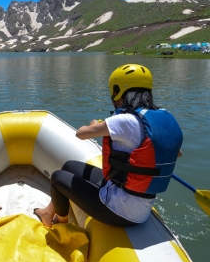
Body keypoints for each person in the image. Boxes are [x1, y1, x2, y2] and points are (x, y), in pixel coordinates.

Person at [35, 64, 183, 227]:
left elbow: (81, 134)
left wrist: (94, 125)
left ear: (118, 91)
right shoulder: (163, 117)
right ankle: (49, 211)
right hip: (139, 206)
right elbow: (177, 153)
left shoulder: (125, 120)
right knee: (69, 166)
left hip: (119, 211)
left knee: (57, 178)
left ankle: (57, 221)